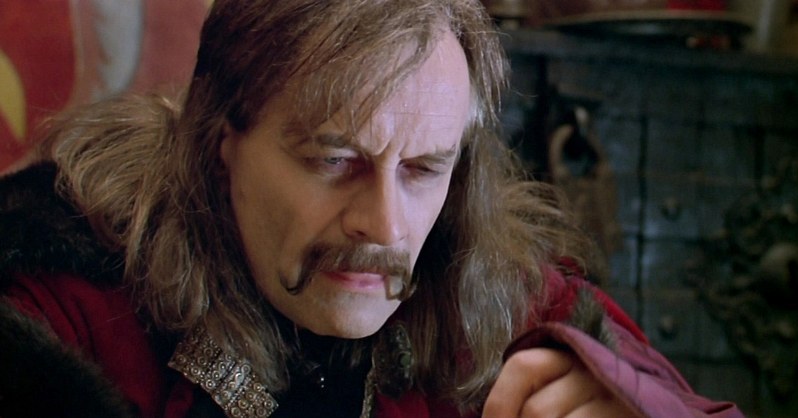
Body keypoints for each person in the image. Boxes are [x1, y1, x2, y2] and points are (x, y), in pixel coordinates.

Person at [0, 1, 745, 417]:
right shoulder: (63, 299)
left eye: (422, 170)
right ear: (221, 139)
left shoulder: (495, 294)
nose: (386, 227)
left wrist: (626, 404)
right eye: (333, 161)